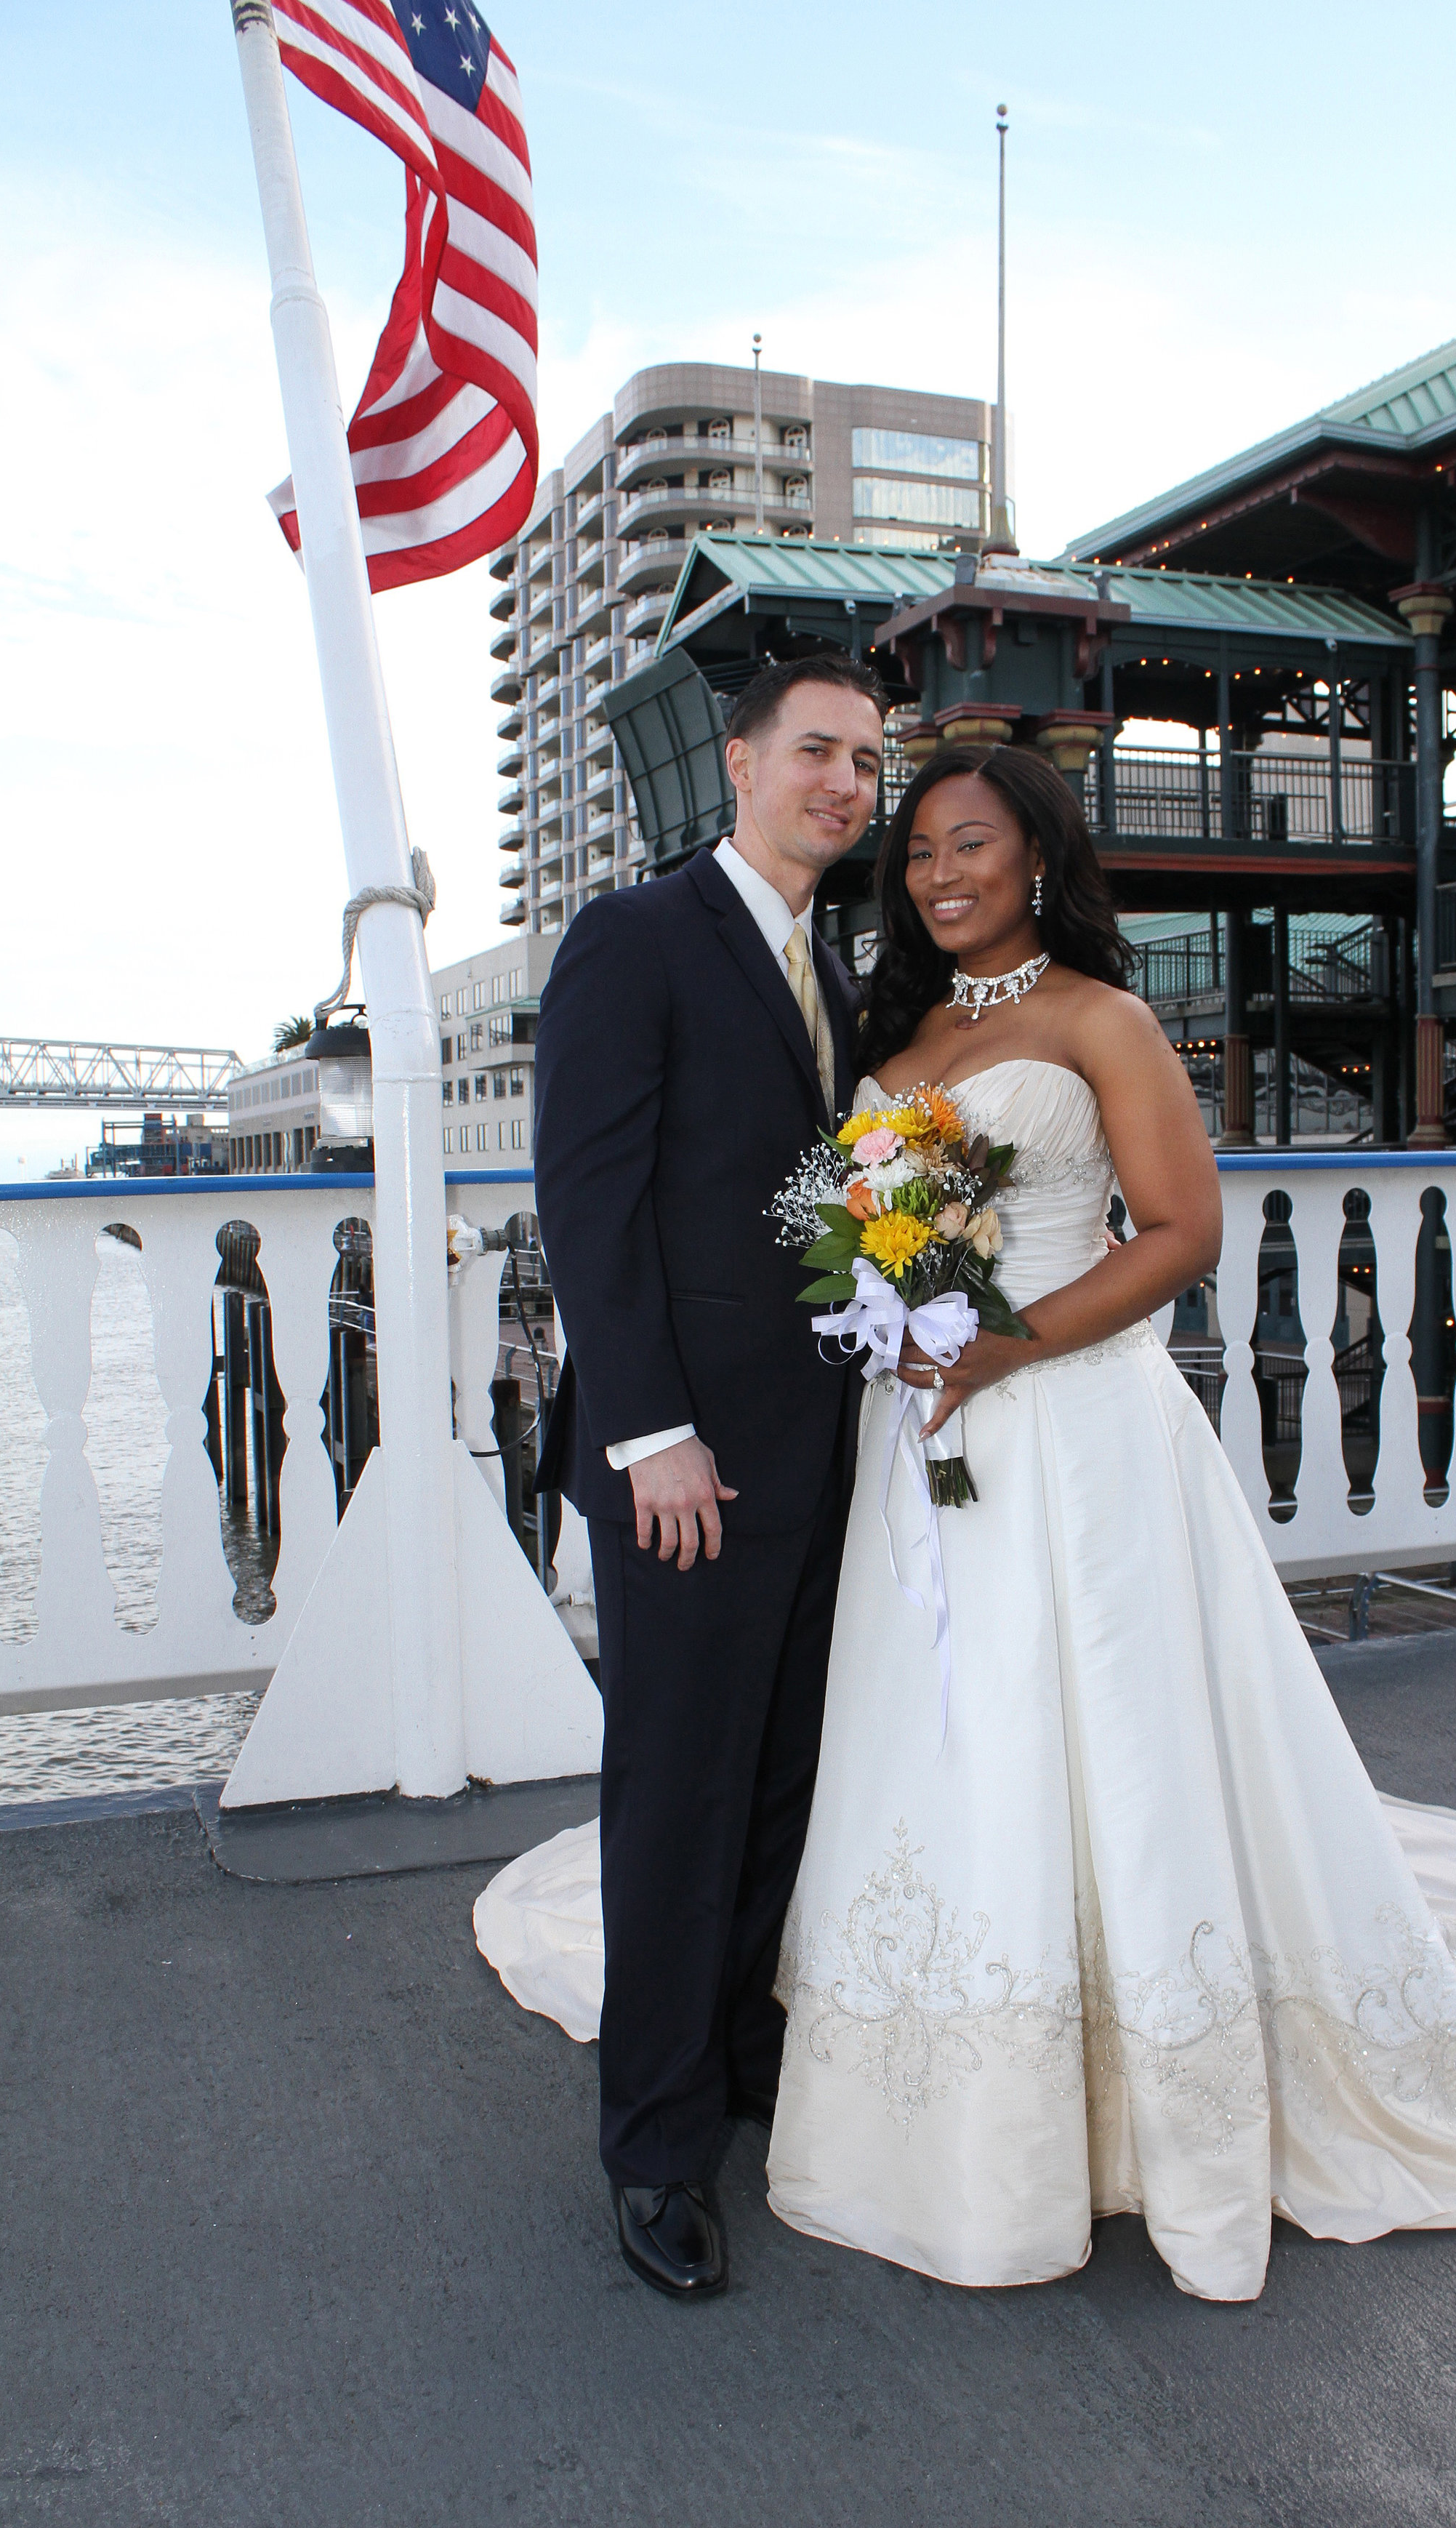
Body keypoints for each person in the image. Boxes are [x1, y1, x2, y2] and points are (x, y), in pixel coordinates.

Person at [760, 742, 1456, 2299]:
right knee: (955, 1731)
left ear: (1036, 859)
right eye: (917, 857)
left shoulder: (1104, 1019)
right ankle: (961, 2089)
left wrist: (1000, 1342)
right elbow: (869, 1226)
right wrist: (893, 1313)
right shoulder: (894, 1037)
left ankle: (1153, 2082)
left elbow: (1179, 1234)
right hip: (928, 1437)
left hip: (1075, 1431)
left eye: (968, 847)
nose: (938, 877)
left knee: (1104, 1730)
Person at [515, 653, 885, 2301]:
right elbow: (588, 1205)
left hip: (820, 1453)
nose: (845, 785)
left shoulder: (833, 965)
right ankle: (656, 2150)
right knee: (675, 1802)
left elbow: (806, 1197)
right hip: (688, 1462)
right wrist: (646, 1432)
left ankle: (739, 2053)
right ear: (739, 763)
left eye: (865, 763)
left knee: (778, 1780)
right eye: (816, 752)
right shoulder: (636, 937)